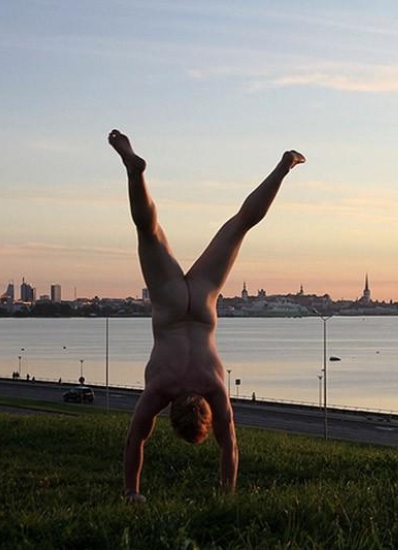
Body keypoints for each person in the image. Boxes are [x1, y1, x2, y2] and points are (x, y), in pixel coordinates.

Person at [109, 129, 304, 502]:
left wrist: (227, 493)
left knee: (240, 225)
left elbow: (229, 444)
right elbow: (136, 440)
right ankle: (135, 173)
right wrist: (130, 491)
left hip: (201, 302)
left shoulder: (213, 387)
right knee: (147, 230)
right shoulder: (160, 389)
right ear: (172, 415)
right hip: (168, 303)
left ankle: (284, 167)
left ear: (203, 413)